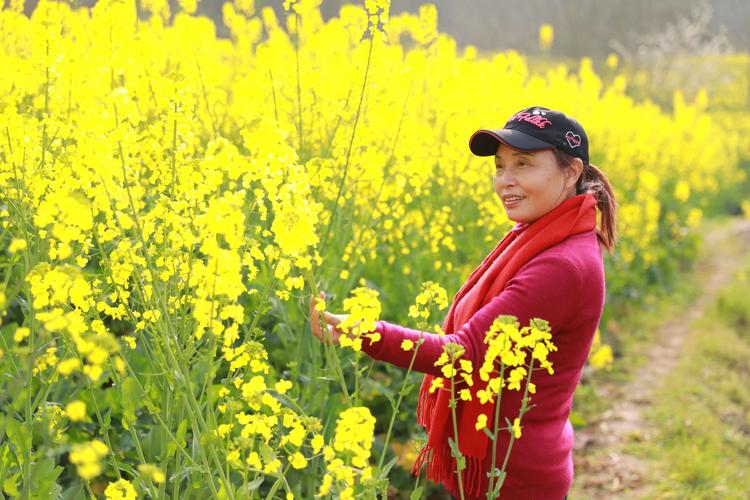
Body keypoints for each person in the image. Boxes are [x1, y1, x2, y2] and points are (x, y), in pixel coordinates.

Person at [310, 106, 617, 499]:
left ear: (571, 171)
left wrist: (364, 333)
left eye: (523, 164)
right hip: (499, 460)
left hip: (512, 475)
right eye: (500, 166)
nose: (506, 181)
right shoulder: (543, 236)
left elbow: (463, 353)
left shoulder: (562, 264)